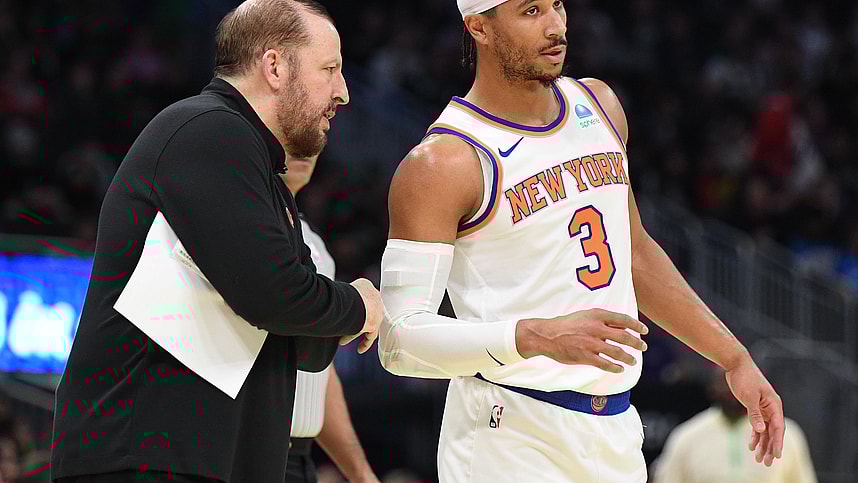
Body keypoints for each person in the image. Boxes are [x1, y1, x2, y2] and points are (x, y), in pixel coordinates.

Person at [378, 1, 784, 481]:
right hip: (508, 433)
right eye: (530, 11)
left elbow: (635, 253)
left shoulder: (600, 105)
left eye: (557, 4)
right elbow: (398, 340)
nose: (555, 26)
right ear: (479, 27)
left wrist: (733, 357)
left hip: (615, 427)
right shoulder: (443, 162)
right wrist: (534, 336)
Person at [50, 1, 383, 482]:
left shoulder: (261, 173)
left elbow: (306, 344)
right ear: (274, 66)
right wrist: (359, 306)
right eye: (329, 69)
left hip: (201, 458)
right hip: (144, 455)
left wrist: (333, 314)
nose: (344, 92)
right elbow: (275, 294)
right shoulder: (209, 129)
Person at [281, 153, 378, 483]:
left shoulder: (315, 244)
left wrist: (361, 474)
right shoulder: (244, 230)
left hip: (299, 457)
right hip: (246, 450)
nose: (303, 150)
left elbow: (320, 374)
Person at [654, 370, 817, 483]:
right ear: (712, 389)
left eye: (739, 384)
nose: (733, 392)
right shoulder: (686, 436)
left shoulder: (785, 434)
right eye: (725, 384)